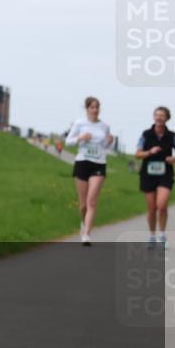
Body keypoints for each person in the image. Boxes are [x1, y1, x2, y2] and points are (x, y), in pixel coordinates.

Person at [64, 96, 113, 245]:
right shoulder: (79, 123)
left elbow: (104, 147)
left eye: (97, 107)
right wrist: (81, 137)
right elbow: (68, 141)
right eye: (92, 107)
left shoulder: (105, 126)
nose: (95, 110)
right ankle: (83, 224)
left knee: (92, 201)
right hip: (82, 162)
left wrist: (109, 142)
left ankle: (87, 234)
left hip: (98, 163)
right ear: (87, 109)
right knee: (83, 204)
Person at [134, 106, 175, 248]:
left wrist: (173, 159)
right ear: (154, 117)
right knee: (151, 208)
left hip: (165, 174)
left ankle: (162, 235)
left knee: (161, 205)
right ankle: (152, 236)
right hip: (148, 174)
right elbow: (138, 153)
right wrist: (149, 151)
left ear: (167, 118)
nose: (159, 117)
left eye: (162, 115)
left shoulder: (172, 135)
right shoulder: (146, 134)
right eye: (157, 115)